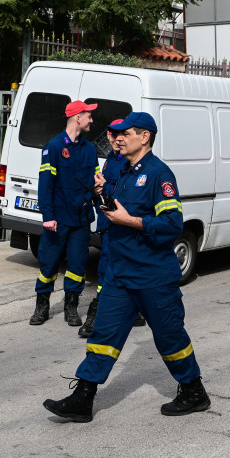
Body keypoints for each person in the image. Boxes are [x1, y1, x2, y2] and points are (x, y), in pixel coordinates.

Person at [43, 112, 210, 422]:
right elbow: (114, 211)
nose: (117, 138)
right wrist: (101, 194)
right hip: (119, 273)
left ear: (144, 137)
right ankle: (84, 397)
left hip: (152, 276)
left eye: (126, 134)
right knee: (103, 336)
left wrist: (131, 221)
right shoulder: (125, 172)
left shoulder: (159, 174)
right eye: (117, 134)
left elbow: (172, 223)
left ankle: (194, 391)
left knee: (170, 337)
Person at [32, 99, 100, 327]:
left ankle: (71, 306)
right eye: (88, 115)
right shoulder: (53, 147)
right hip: (58, 220)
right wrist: (48, 216)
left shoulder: (90, 150)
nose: (92, 119)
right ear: (77, 118)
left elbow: (96, 183)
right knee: (49, 265)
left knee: (78, 266)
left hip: (80, 220)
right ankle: (42, 306)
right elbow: (46, 185)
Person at [80, 128, 146, 338]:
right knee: (111, 268)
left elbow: (122, 195)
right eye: (112, 135)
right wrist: (98, 190)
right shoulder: (110, 159)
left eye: (122, 135)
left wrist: (105, 187)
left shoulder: (131, 163)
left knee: (111, 268)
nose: (117, 140)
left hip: (122, 223)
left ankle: (96, 317)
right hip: (108, 223)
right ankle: (134, 312)